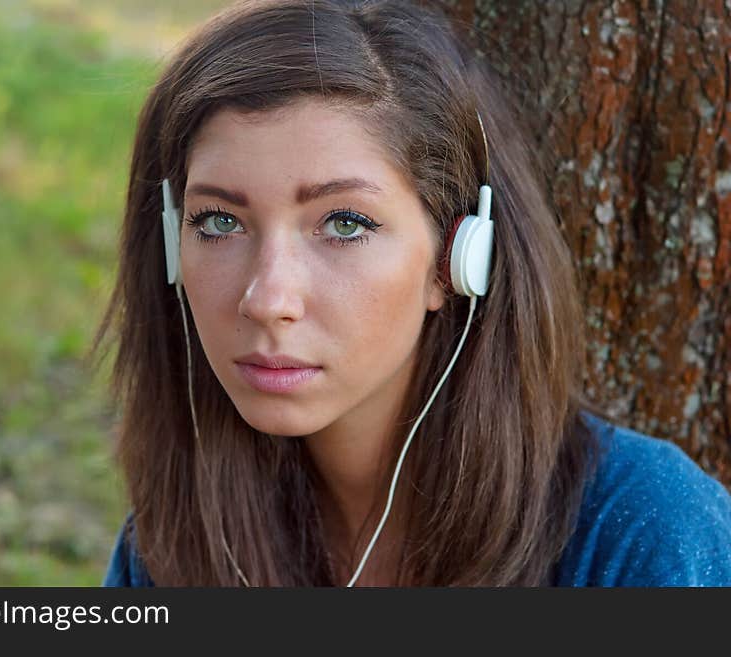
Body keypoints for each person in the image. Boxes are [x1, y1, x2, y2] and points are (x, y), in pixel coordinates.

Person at [95, 0, 731, 586]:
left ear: (457, 260)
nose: (267, 299)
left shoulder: (646, 534)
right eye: (219, 221)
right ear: (174, 248)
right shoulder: (176, 539)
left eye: (345, 224)